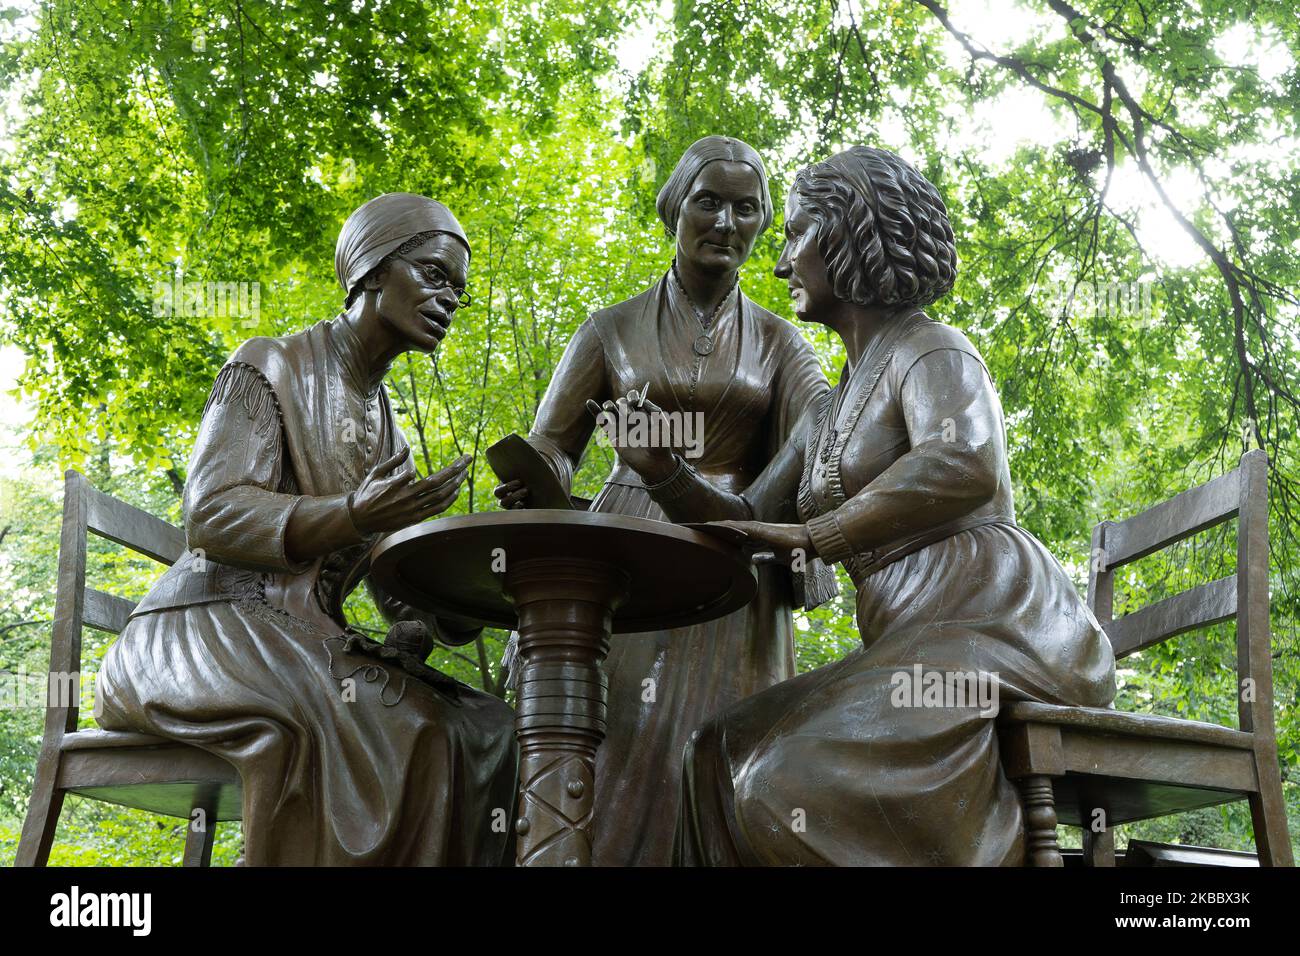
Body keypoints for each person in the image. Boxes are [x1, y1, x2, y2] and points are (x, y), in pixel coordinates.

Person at [603, 146, 1116, 865]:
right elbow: (748, 511)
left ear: (849, 235)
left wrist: (821, 534)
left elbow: (964, 462)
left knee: (784, 782)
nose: (780, 265)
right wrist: (659, 469)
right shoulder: (828, 407)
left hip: (997, 629)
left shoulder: (933, 350)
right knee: (715, 754)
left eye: (796, 234)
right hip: (910, 640)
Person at [97, 193, 519, 866]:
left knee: (489, 726)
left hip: (300, 635)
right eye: (435, 274)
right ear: (375, 270)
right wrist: (353, 515)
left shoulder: (389, 435)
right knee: (412, 727)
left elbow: (396, 590)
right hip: (204, 627)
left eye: (457, 291)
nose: (448, 300)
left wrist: (481, 583)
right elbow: (211, 514)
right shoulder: (269, 366)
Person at [493, 136, 836, 866]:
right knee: (615, 744)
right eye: (708, 201)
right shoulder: (609, 329)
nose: (726, 222)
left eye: (747, 209)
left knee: (728, 754)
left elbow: (823, 421)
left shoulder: (781, 342)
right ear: (675, 208)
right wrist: (537, 473)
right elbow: (555, 442)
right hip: (626, 550)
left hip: (733, 557)